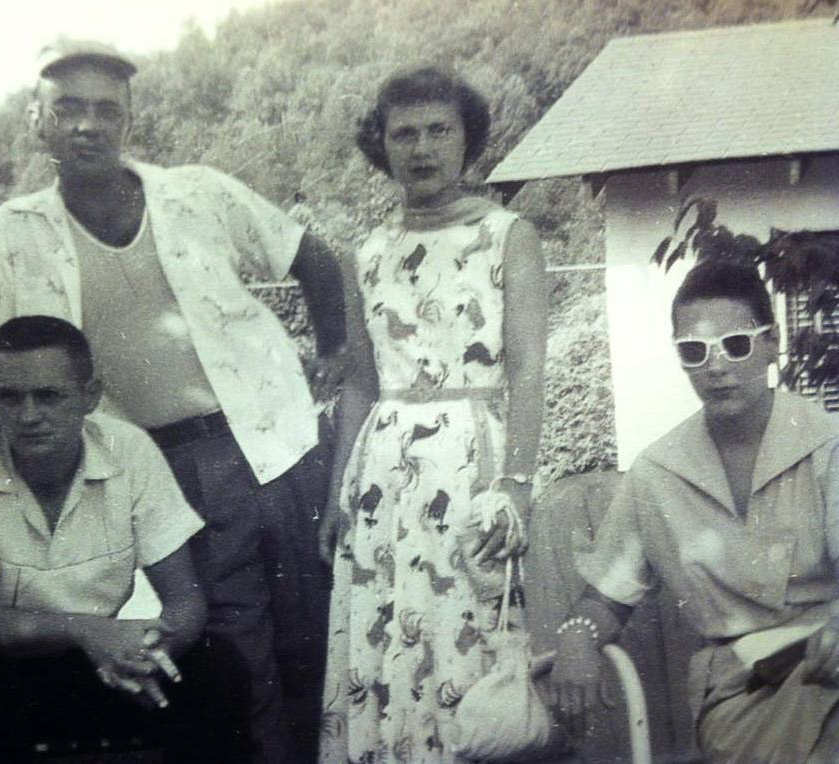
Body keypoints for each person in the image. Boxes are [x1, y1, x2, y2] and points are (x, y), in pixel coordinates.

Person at [0, 39, 346, 764]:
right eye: (68, 109)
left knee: (315, 641)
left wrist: (335, 364)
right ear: (38, 122)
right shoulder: (17, 231)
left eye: (106, 110)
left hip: (278, 442)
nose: (87, 125)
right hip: (170, 461)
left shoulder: (198, 193)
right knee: (236, 649)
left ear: (130, 121)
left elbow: (313, 258)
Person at [317, 66, 547, 761]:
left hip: (472, 467)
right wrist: (337, 496)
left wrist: (516, 486)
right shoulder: (366, 254)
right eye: (405, 134)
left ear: (467, 139)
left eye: (440, 130)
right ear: (382, 145)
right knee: (384, 644)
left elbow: (528, 370)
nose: (422, 148)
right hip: (383, 477)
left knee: (467, 640)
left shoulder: (508, 235)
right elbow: (360, 384)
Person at [550, 260, 839, 763]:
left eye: (736, 344)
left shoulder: (827, 445)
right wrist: (577, 639)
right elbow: (608, 597)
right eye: (694, 351)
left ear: (771, 343)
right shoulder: (659, 471)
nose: (716, 367)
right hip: (743, 690)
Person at [0, 315, 209, 761]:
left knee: (215, 668)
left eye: (48, 396)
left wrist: (147, 656)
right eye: (10, 397)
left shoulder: (129, 449)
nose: (28, 416)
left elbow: (186, 600)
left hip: (91, 666)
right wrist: (87, 630)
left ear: (90, 396)